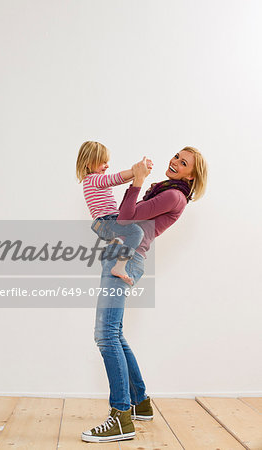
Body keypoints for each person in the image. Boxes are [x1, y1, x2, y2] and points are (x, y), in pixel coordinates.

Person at [81, 147, 208, 443]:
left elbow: (125, 219)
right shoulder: (168, 191)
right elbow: (128, 217)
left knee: (105, 334)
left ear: (192, 175)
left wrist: (136, 182)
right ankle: (140, 403)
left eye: (183, 163)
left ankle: (121, 417)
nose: (175, 162)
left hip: (126, 255)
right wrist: (136, 183)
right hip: (123, 252)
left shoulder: (174, 196)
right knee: (115, 333)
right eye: (176, 157)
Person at [76, 141, 153, 285]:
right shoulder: (94, 179)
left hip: (103, 223)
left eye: (107, 162)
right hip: (108, 221)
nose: (107, 165)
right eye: (102, 162)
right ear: (88, 163)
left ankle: (117, 244)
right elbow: (117, 178)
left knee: (126, 233)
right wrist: (136, 170)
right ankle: (120, 266)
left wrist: (139, 173)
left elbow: (121, 179)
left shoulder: (91, 181)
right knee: (137, 232)